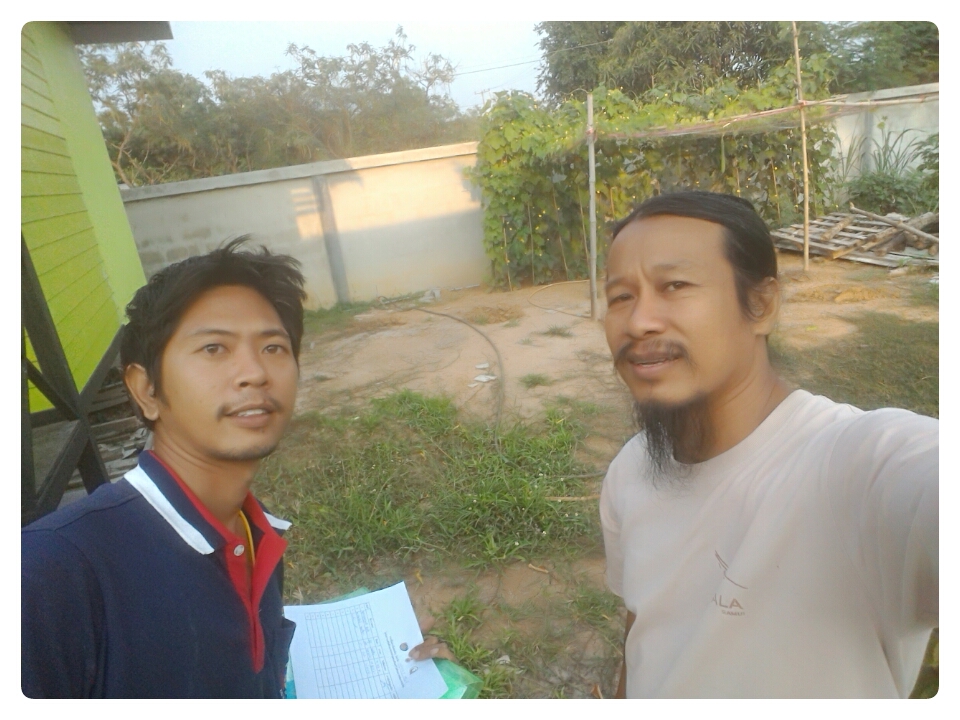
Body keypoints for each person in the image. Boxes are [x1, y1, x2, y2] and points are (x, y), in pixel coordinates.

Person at [21, 239, 446, 698]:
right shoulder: (49, 574)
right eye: (214, 348)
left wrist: (385, 669)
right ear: (146, 390)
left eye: (274, 347)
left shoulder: (252, 534)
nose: (255, 372)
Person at [599, 191, 938, 698]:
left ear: (761, 305)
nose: (638, 321)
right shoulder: (629, 471)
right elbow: (644, 629)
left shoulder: (856, 466)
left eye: (675, 285)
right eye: (620, 296)